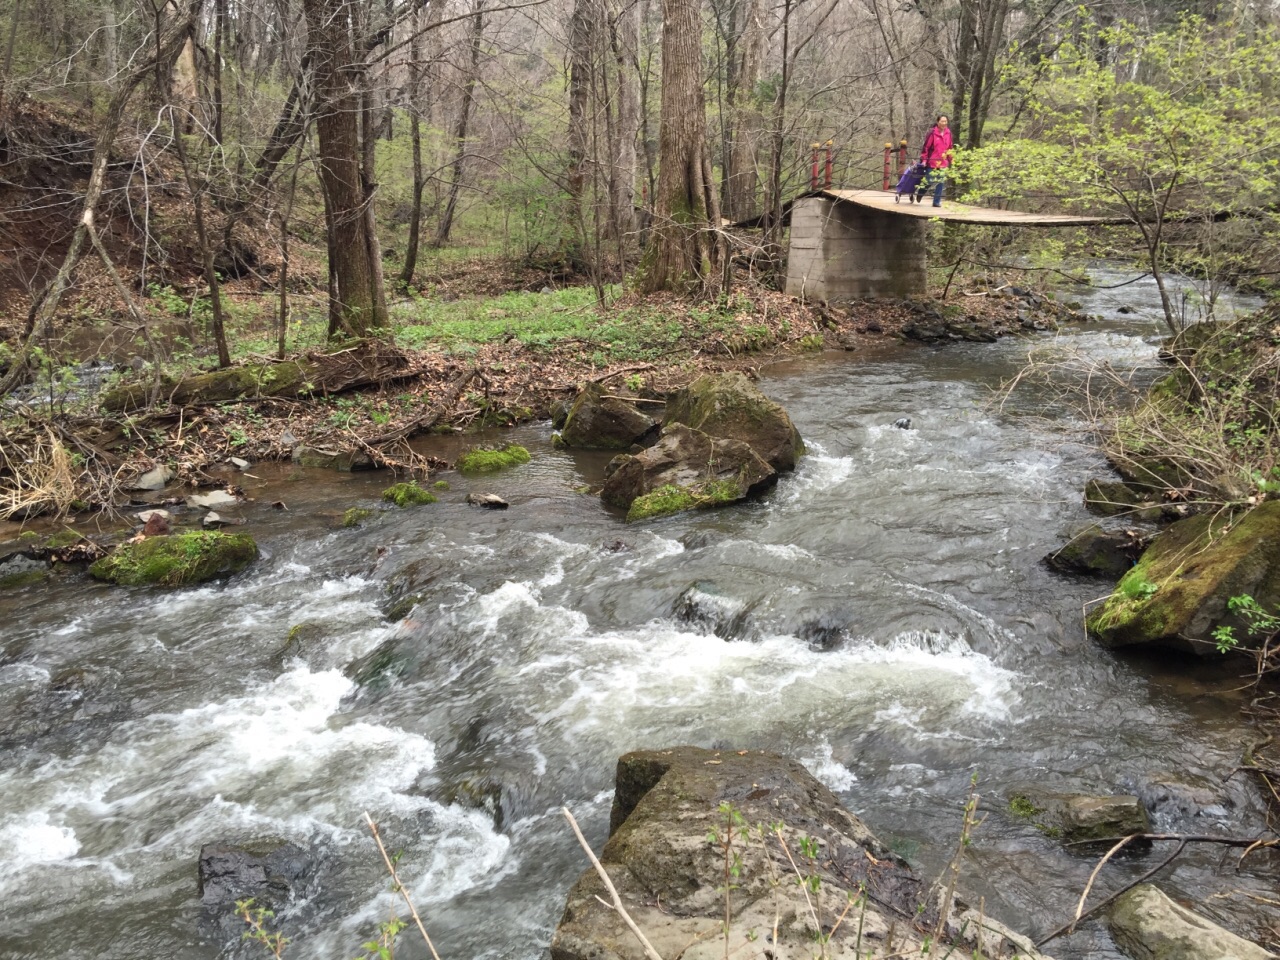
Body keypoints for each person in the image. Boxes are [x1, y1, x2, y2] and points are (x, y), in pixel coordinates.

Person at [919, 115, 954, 208]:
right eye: (942, 121)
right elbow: (926, 147)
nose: (944, 123)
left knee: (940, 181)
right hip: (932, 161)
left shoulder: (948, 133)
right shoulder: (932, 133)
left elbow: (950, 148)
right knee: (929, 181)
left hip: (943, 162)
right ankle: (920, 192)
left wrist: (951, 159)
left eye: (945, 121)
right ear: (938, 122)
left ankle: (936, 202)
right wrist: (924, 160)